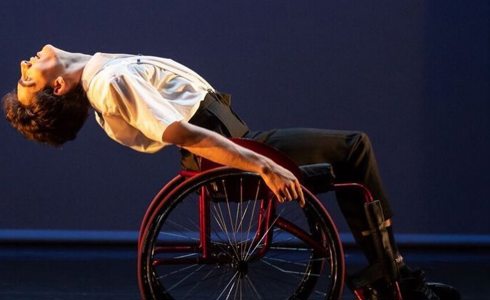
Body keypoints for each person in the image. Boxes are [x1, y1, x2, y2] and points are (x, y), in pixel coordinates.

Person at [3, 44, 459, 300]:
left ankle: (392, 275)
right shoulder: (109, 82)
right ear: (59, 85)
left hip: (232, 140)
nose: (25, 64)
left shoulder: (105, 74)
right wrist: (261, 164)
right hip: (229, 151)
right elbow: (179, 132)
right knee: (354, 150)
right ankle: (391, 278)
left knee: (348, 154)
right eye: (29, 79)